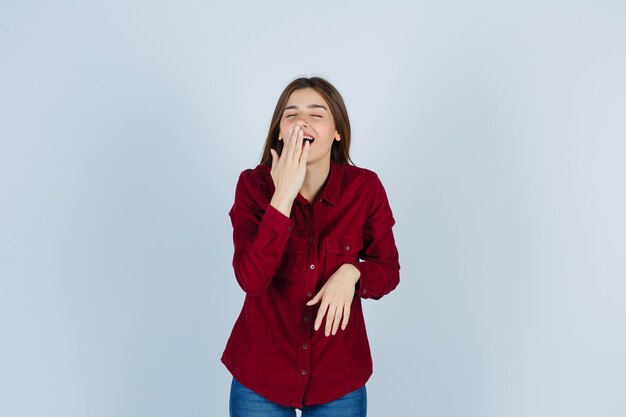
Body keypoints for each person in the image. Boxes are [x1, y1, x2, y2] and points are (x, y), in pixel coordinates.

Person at [221, 76, 400, 417]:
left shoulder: (365, 188)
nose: (302, 121)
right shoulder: (252, 186)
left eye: (316, 113)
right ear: (279, 132)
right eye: (291, 114)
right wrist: (283, 196)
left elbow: (388, 271)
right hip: (260, 374)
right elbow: (251, 279)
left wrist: (352, 272)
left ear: (337, 131)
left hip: (338, 377)